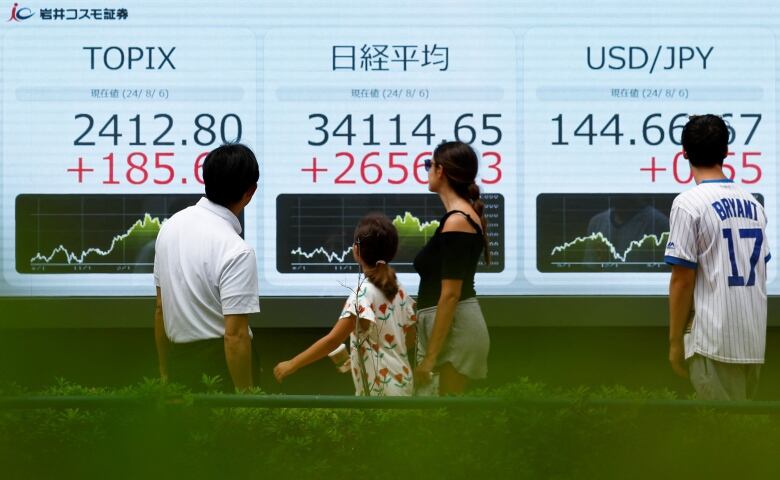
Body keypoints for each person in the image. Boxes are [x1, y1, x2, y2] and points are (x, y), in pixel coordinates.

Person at [665, 114, 770, 400]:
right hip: (752, 343)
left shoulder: (687, 204)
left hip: (713, 342)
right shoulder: (754, 204)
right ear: (726, 152)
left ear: (684, 153)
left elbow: (682, 280)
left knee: (719, 436)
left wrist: (675, 343)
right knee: (742, 437)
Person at [153, 143, 260, 392]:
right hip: (221, 368)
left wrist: (164, 371)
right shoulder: (237, 249)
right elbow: (235, 336)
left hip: (179, 362)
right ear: (250, 191)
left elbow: (160, 309)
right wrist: (247, 401)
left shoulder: (169, 228)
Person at [273, 213, 417, 396]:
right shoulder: (399, 289)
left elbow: (333, 340)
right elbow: (409, 339)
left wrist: (291, 364)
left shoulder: (362, 293)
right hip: (403, 382)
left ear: (356, 250)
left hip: (381, 391)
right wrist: (362, 356)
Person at [413, 141, 490, 395]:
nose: (427, 170)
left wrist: (431, 357)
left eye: (429, 165)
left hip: (455, 333)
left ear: (441, 171)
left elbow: (451, 294)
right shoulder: (458, 218)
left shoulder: (458, 221)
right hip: (449, 329)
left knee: (448, 418)